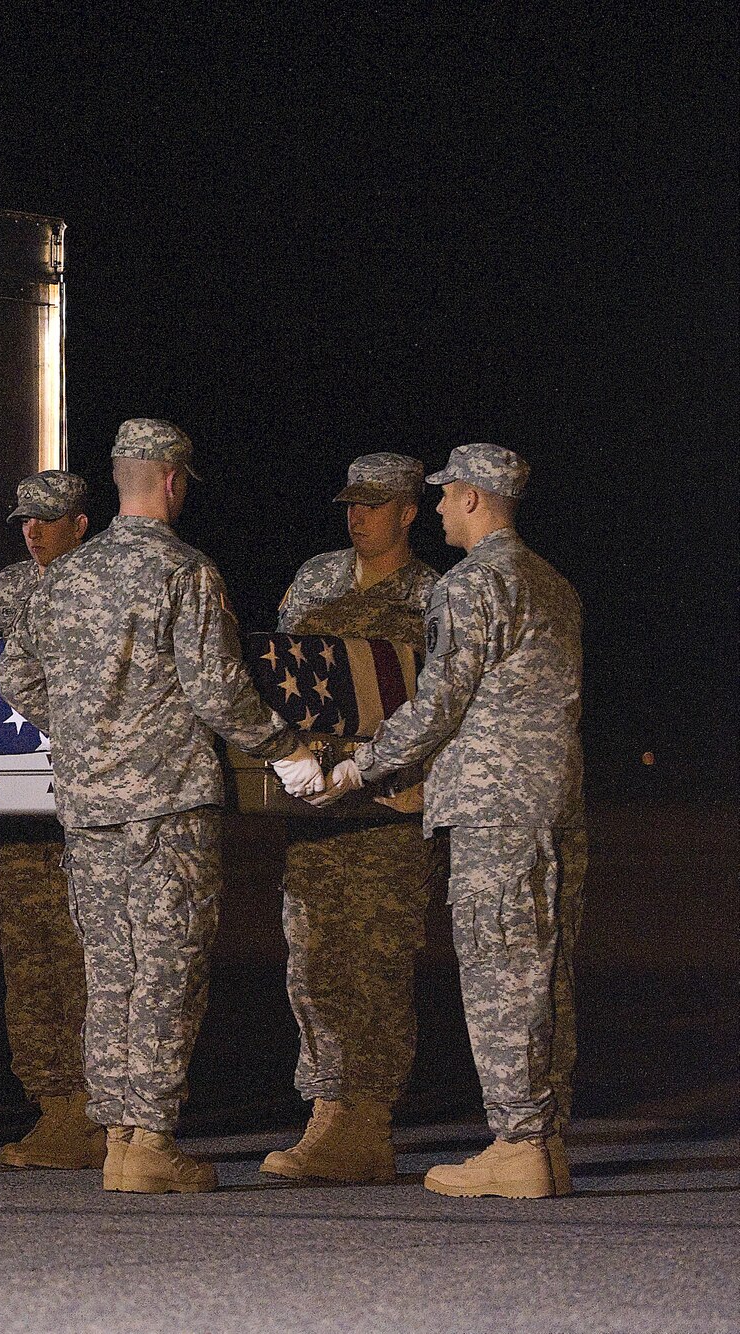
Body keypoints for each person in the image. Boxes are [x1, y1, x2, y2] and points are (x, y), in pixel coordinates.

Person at [0, 420, 325, 1193]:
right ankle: (148, 1138)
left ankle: (115, 1134)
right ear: (173, 481)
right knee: (166, 969)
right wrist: (286, 752)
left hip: (87, 805)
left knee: (109, 971)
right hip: (167, 805)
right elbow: (216, 688)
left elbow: (18, 679)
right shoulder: (184, 571)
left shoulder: (64, 576)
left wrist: (85, 733)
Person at [312, 443, 584, 1199]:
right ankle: (544, 1138)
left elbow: (436, 705)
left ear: (471, 498)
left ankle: (517, 1144)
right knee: (545, 973)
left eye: (443, 496)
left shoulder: (472, 586)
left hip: (494, 811)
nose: (434, 509)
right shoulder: (551, 584)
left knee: (501, 973)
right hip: (553, 806)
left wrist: (360, 766)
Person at [260, 453, 442, 1184]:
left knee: (375, 965)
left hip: (385, 811)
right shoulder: (317, 579)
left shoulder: (433, 592)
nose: (357, 515)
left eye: (375, 504)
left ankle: (365, 1120)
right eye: (351, 504)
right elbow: (279, 672)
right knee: (311, 964)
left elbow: (438, 703)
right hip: (315, 809)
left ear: (408, 511)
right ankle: (326, 1109)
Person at [0, 470, 105, 1170]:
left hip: (93, 800)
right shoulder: (8, 588)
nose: (34, 530)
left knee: (90, 955)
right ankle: (53, 1104)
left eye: (48, 519)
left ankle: (95, 1105)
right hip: (25, 806)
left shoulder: (106, 582)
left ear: (81, 524)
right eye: (25, 518)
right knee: (31, 959)